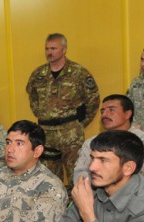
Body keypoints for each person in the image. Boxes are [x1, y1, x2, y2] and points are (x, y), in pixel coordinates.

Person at [26, 33, 100, 184]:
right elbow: (32, 97)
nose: (49, 52)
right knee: (49, 178)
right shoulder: (38, 74)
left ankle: (78, 207)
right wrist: (42, 113)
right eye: (47, 48)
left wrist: (79, 123)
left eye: (53, 48)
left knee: (77, 175)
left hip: (70, 132)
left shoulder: (79, 73)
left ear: (64, 50)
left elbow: (93, 99)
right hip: (46, 133)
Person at [74, 94, 144, 182]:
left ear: (128, 114)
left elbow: (139, 173)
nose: (104, 114)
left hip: (135, 194)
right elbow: (80, 174)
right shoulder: (91, 142)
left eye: (111, 110)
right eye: (102, 111)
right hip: (96, 193)